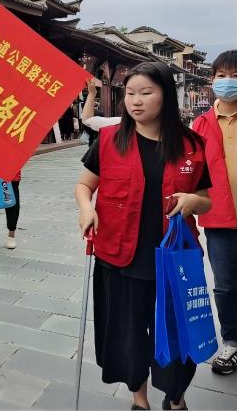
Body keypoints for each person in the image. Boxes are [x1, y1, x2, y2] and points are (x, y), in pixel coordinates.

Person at [75, 61, 212, 410]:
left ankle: (176, 397)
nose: (136, 101)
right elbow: (84, 185)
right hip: (121, 257)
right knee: (128, 335)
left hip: (174, 262)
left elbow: (206, 200)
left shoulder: (192, 145)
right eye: (130, 93)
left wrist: (193, 201)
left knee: (176, 334)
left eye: (146, 93)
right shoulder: (110, 140)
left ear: (166, 95)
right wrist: (86, 209)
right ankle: (140, 399)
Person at [192, 49, 237, 375]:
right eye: (222, 76)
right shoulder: (200, 124)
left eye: (235, 75)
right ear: (212, 81)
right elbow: (189, 169)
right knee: (225, 286)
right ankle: (231, 342)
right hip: (219, 218)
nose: (228, 81)